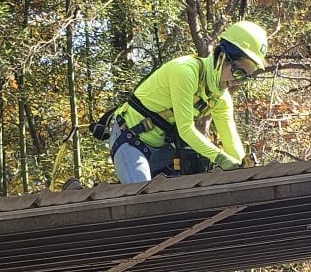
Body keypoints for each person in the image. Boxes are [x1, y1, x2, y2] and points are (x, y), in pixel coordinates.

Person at [101, 21, 267, 184]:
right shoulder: (185, 72)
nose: (238, 81)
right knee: (143, 200)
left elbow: (231, 140)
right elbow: (186, 129)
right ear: (222, 57)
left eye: (245, 77)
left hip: (163, 150)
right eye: (238, 72)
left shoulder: (220, 99)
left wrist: (243, 169)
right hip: (131, 140)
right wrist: (220, 158)